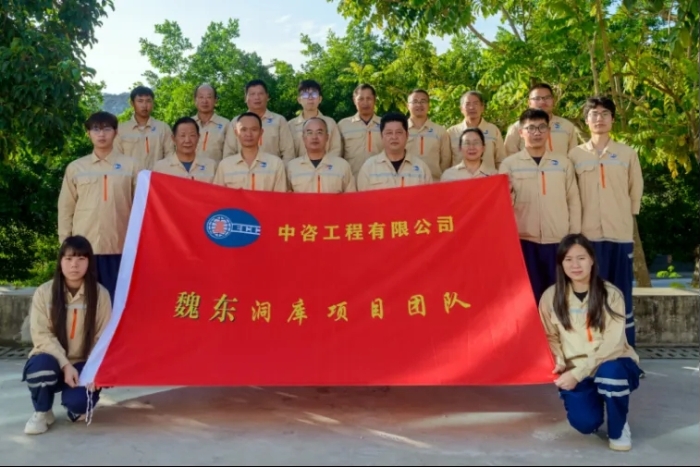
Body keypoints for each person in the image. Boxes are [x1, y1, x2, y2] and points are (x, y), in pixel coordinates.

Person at [538, 234, 642, 452]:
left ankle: (619, 426)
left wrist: (578, 373)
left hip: (612, 362)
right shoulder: (550, 297)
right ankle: (594, 401)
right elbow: (550, 336)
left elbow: (612, 344)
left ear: (592, 260)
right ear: (561, 263)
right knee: (584, 423)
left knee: (611, 375)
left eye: (581, 258)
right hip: (576, 369)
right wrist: (559, 360)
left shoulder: (611, 294)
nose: (575, 265)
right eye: (568, 259)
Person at [567, 96, 644, 348]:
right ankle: (591, 351)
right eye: (594, 114)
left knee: (621, 294)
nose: (599, 118)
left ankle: (625, 351)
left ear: (612, 119)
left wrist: (625, 215)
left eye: (604, 114)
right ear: (586, 120)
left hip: (619, 234)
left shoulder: (627, 153)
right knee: (589, 294)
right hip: (587, 237)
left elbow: (635, 189)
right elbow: (570, 193)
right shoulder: (574, 155)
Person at [22, 235, 112, 435]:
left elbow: (102, 337)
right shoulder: (44, 292)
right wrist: (65, 364)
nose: (74, 265)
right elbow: (42, 335)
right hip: (52, 360)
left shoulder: (101, 295)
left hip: (83, 363)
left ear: (89, 262)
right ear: (60, 261)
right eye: (69, 258)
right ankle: (43, 411)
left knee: (79, 403)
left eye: (81, 259)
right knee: (40, 368)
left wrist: (95, 370)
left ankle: (74, 407)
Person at [499, 109, 581, 304]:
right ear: (521, 132)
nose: (537, 132)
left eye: (542, 127)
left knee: (560, 297)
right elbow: (502, 207)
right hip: (524, 242)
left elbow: (573, 200)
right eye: (531, 128)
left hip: (558, 241)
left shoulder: (563, 163)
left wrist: (574, 238)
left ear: (548, 131)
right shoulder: (509, 165)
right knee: (528, 299)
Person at [58, 111, 137, 303]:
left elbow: (142, 207)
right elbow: (66, 208)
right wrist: (66, 244)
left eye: (107, 129)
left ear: (116, 132)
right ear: (88, 133)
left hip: (120, 247)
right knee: (84, 302)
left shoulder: (132, 166)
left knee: (117, 303)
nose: (101, 134)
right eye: (95, 129)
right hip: (83, 249)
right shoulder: (76, 168)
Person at [356, 112, 432, 191]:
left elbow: (429, 197)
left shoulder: (421, 168)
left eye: (399, 132)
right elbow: (362, 198)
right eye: (389, 133)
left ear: (407, 135)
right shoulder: (368, 168)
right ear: (381, 136)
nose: (394, 137)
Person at [223, 79, 295, 162]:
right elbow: (229, 153)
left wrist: (281, 169)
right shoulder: (236, 122)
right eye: (252, 94)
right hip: (242, 169)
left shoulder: (279, 120)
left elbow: (288, 153)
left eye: (260, 94)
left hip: (273, 168)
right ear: (245, 98)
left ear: (267, 97)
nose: (257, 97)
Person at [213, 112, 287, 192]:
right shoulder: (225, 165)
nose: (248, 134)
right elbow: (217, 196)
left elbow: (280, 197)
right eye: (243, 130)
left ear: (261, 132)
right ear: (236, 132)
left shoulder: (275, 164)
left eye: (254, 129)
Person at [504, 83, 580, 157]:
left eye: (547, 98)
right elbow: (509, 158)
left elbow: (573, 157)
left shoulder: (567, 126)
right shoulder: (517, 127)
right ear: (529, 103)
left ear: (553, 101)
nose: (542, 102)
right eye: (537, 98)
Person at [113, 85, 174, 171]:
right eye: (140, 101)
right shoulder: (121, 130)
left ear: (153, 103)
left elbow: (170, 156)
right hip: (129, 178)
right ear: (132, 103)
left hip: (156, 177)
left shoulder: (163, 128)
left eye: (148, 101)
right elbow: (116, 158)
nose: (144, 105)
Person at [287, 118, 356, 193]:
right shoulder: (292, 167)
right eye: (310, 133)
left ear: (327, 137)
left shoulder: (342, 166)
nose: (314, 137)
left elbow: (351, 198)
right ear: (303, 138)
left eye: (319, 132)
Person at [446, 90, 506, 170]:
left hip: (488, 176)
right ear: (461, 109)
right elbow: (446, 162)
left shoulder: (493, 130)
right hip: (460, 177)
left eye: (475, 103)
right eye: (467, 104)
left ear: (482, 107)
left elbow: (501, 160)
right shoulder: (452, 132)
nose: (472, 107)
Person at [288, 79, 342, 160]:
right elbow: (288, 153)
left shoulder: (330, 123)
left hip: (327, 166)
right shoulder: (290, 125)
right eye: (305, 94)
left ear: (320, 99)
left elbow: (336, 149)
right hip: (298, 167)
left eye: (314, 94)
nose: (310, 98)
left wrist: (325, 165)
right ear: (299, 100)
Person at [152, 116, 217, 183]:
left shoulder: (211, 166)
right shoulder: (160, 168)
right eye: (182, 135)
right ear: (173, 139)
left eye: (192, 135)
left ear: (198, 137)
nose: (187, 140)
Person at [338, 84, 384, 176]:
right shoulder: (343, 125)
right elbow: (337, 156)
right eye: (361, 99)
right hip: (351, 178)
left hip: (379, 178)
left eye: (369, 98)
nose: (365, 103)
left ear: (375, 100)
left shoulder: (385, 124)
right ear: (354, 100)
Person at [405, 89, 452, 181]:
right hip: (407, 183)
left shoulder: (440, 131)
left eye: (423, 101)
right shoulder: (400, 130)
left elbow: (446, 161)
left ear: (429, 105)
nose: (419, 105)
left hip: (433, 183)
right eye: (415, 102)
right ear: (408, 106)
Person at [192, 83, 230, 163]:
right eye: (201, 97)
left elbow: (229, 154)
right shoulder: (187, 124)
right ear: (195, 100)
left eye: (209, 97)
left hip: (216, 170)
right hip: (189, 170)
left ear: (215, 100)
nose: (205, 101)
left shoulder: (226, 124)